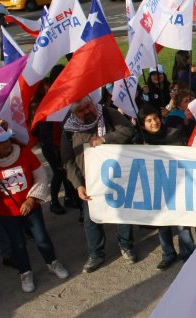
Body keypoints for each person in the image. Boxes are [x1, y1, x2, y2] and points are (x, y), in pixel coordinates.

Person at [0, 126, 70, 292]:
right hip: (7, 214)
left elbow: (41, 176)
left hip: (31, 209)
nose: (6, 144)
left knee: (42, 238)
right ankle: (25, 273)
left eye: (7, 140)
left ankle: (52, 263)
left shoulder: (25, 154)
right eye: (1, 143)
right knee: (18, 245)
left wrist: (31, 200)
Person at [61, 96, 140, 273]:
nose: (87, 111)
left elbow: (128, 130)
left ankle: (126, 245)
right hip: (89, 182)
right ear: (73, 113)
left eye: (88, 106)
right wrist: (78, 185)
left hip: (117, 176)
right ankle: (96, 253)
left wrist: (104, 139)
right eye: (81, 110)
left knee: (122, 214)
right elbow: (68, 160)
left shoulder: (107, 113)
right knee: (92, 220)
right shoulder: (68, 128)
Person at [138, 106, 195, 271]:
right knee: (162, 222)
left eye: (155, 118)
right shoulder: (140, 141)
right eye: (148, 121)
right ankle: (168, 254)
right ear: (143, 125)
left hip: (178, 184)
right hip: (156, 186)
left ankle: (188, 253)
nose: (154, 122)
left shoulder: (174, 133)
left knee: (182, 222)